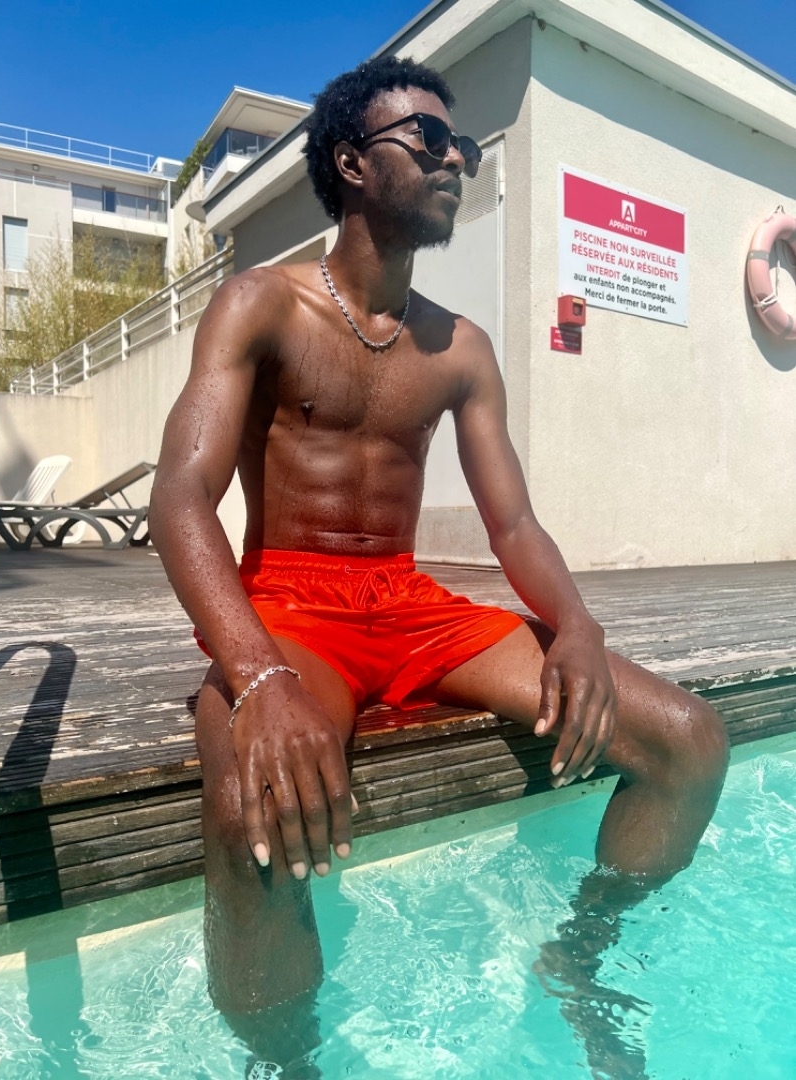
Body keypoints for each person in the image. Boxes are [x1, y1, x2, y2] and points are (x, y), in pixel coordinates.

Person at [149, 55, 728, 1075]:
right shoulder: (260, 304)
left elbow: (515, 526)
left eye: (459, 144)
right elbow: (181, 495)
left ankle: (580, 957)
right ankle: (289, 1061)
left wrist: (579, 626)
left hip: (410, 603)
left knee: (691, 742)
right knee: (252, 808)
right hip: (289, 607)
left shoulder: (460, 347)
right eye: (426, 139)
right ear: (351, 163)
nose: (454, 158)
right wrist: (260, 675)